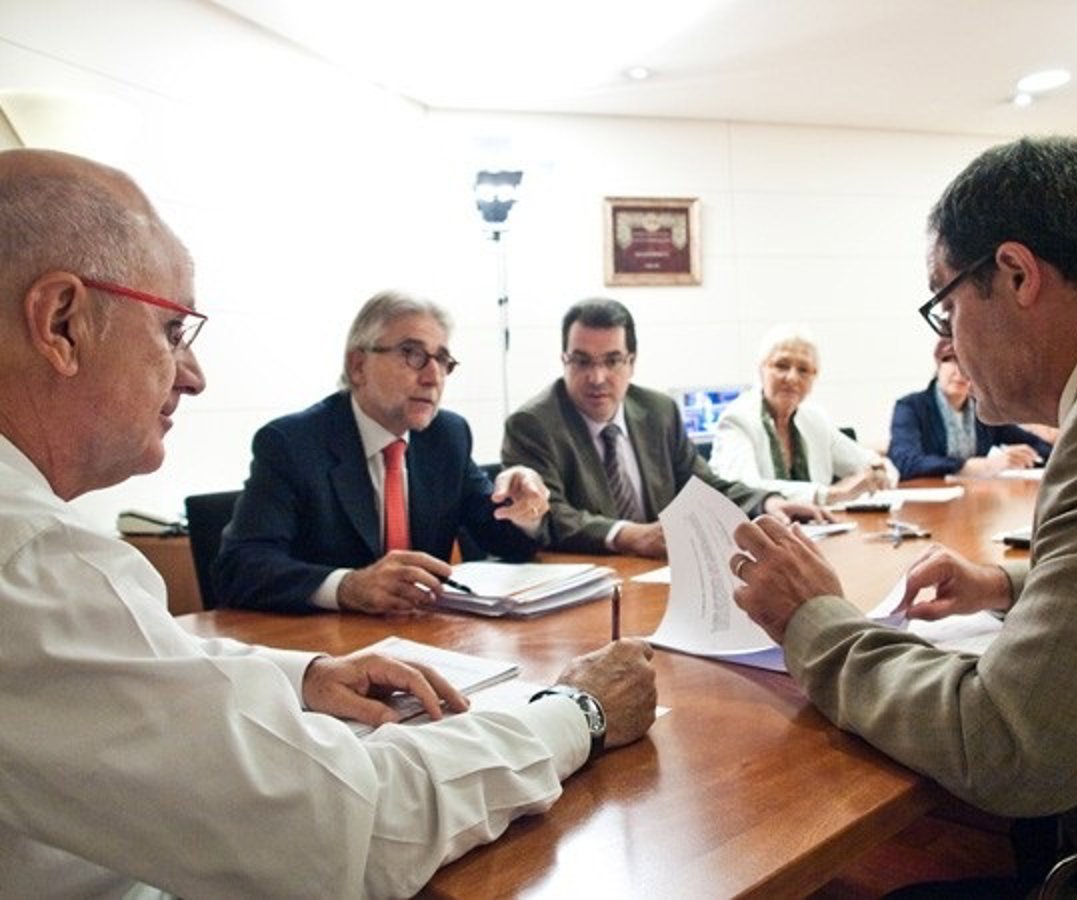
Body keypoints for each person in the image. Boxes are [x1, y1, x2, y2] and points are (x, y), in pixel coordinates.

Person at [0, 148, 657, 898]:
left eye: (442, 360)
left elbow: (147, 659)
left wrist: (305, 676)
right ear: (61, 322)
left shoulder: (446, 437)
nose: (194, 375)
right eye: (173, 331)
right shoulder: (35, 561)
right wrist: (577, 711)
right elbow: (346, 827)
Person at [729, 135, 1077, 889]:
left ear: (1016, 274)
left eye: (945, 306)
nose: (946, 340)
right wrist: (1008, 585)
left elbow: (1006, 745)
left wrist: (812, 620)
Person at [213, 291, 551, 615]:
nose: (433, 377)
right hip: (327, 642)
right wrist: (348, 587)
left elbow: (504, 540)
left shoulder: (447, 436)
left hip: (421, 635)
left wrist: (523, 508)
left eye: (442, 360)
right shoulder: (292, 443)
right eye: (412, 354)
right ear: (358, 365)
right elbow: (240, 567)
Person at [501, 298, 828, 558]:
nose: (597, 377)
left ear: (632, 362)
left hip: (663, 576)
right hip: (592, 584)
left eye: (612, 361)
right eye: (582, 361)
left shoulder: (658, 412)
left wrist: (765, 503)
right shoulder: (533, 425)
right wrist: (629, 536)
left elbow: (703, 487)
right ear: (564, 360)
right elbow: (549, 514)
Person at [709, 323, 896, 503]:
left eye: (803, 370)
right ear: (761, 369)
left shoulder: (815, 420)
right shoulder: (737, 420)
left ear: (814, 377)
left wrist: (878, 472)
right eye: (782, 366)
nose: (792, 378)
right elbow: (745, 491)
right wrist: (829, 494)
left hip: (818, 523)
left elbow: (871, 463)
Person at [887, 336, 1055, 480]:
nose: (960, 372)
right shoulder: (910, 407)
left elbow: (1042, 448)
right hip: (926, 499)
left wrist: (1024, 456)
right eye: (952, 360)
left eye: (968, 364)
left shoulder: (982, 411)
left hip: (973, 497)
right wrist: (969, 466)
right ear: (938, 365)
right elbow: (905, 462)